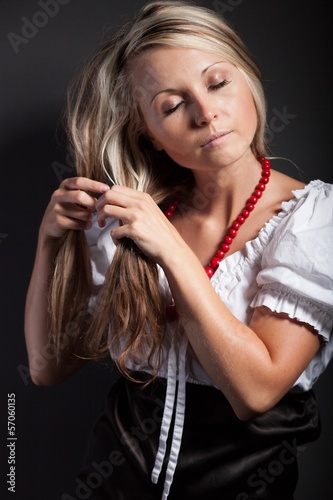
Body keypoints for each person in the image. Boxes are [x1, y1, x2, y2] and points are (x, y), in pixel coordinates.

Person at [24, 1, 333, 499]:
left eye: (217, 82)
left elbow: (255, 393)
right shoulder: (133, 220)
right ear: (149, 132)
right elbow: (46, 367)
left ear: (248, 79)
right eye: (171, 105)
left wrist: (169, 248)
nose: (206, 112)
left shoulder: (313, 219)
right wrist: (50, 243)